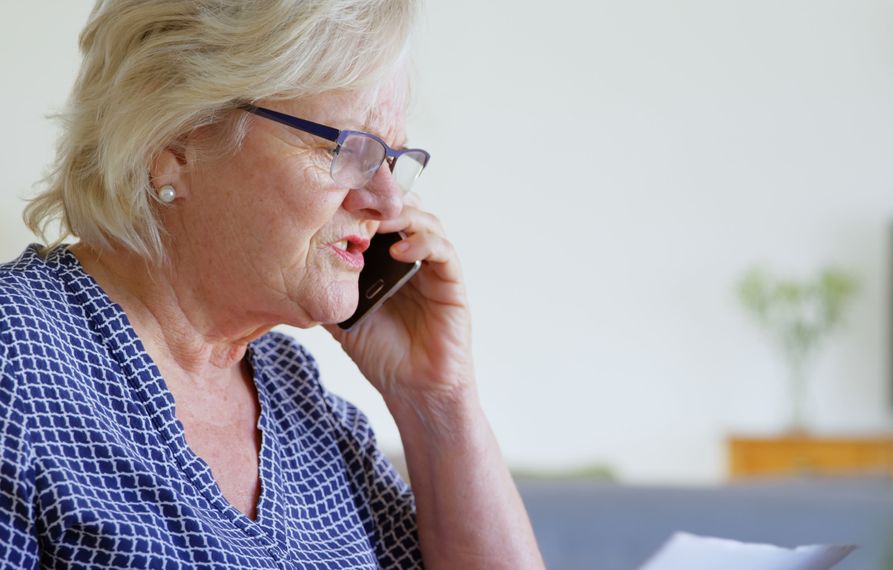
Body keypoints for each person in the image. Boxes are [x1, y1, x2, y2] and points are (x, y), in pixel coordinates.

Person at [0, 1, 544, 568]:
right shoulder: (17, 357)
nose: (388, 203)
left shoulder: (296, 395)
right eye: (347, 149)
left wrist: (439, 403)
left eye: (391, 158)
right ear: (176, 145)